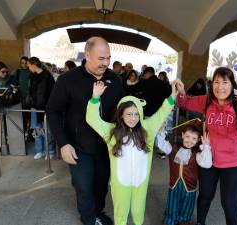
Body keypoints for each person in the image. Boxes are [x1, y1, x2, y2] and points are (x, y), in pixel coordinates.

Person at [175, 67, 237, 225]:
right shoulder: (207, 101)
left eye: (225, 82)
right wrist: (182, 92)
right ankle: (200, 222)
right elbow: (185, 102)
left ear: (232, 85)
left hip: (234, 163)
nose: (220, 86)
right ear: (212, 85)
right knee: (205, 196)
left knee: (229, 204)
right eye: (216, 82)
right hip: (209, 159)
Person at [46, 37, 124, 225]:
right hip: (78, 146)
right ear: (87, 55)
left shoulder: (114, 79)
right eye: (101, 58)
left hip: (107, 147)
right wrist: (63, 143)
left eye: (108, 58)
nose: (106, 63)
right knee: (83, 186)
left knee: (101, 185)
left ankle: (97, 212)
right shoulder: (68, 80)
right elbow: (53, 111)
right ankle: (89, 219)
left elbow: (123, 109)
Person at [86, 79, 177, 225]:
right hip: (120, 183)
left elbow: (161, 113)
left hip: (141, 182)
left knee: (138, 212)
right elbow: (92, 119)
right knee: (121, 214)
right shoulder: (111, 131)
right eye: (129, 114)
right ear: (121, 114)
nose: (133, 118)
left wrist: (172, 97)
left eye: (136, 114)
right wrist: (95, 98)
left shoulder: (148, 129)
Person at [161, 119, 212, 225]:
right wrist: (161, 130)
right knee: (172, 204)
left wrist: (206, 147)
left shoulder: (197, 154)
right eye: (188, 137)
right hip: (174, 185)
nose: (190, 141)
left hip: (189, 187)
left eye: (194, 138)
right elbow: (161, 144)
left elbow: (207, 164)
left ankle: (183, 221)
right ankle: (170, 221)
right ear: (183, 135)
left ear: (198, 140)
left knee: (187, 206)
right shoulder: (173, 148)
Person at [27, 57, 56, 160]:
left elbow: (52, 93)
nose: (28, 68)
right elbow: (31, 92)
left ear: (33, 65)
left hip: (46, 108)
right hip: (34, 107)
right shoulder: (32, 76)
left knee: (47, 130)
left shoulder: (48, 76)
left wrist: (49, 107)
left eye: (29, 66)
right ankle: (40, 150)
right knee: (36, 129)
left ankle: (50, 150)